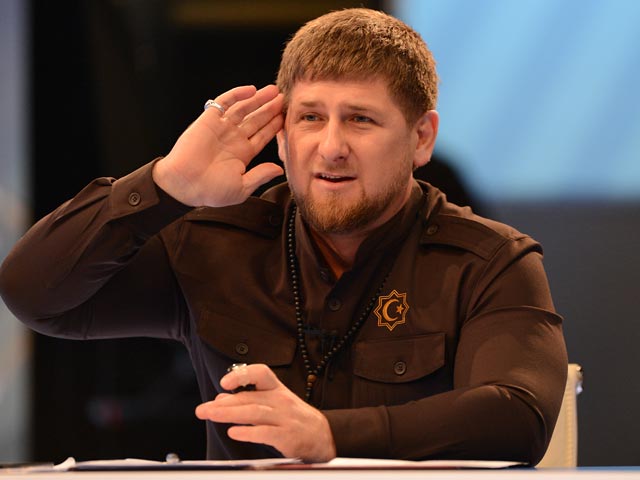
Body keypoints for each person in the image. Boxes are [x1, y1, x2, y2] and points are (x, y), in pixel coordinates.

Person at [0, 8, 567, 465]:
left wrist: (330, 435)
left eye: (361, 119)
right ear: (281, 133)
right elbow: (34, 294)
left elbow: (518, 416)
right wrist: (165, 184)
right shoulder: (213, 242)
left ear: (421, 138)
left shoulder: (491, 260)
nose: (331, 147)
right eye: (310, 117)